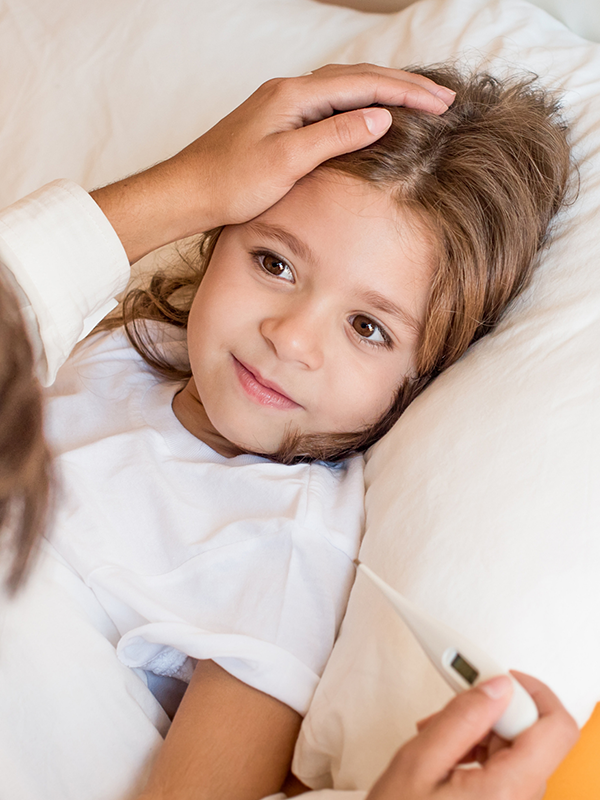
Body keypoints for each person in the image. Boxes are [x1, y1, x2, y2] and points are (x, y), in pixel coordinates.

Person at [0, 64, 577, 800]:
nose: (291, 337)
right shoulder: (124, 343)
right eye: (273, 262)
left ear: (421, 376)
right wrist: (184, 185)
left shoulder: (289, 546)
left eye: (367, 327)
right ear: (218, 234)